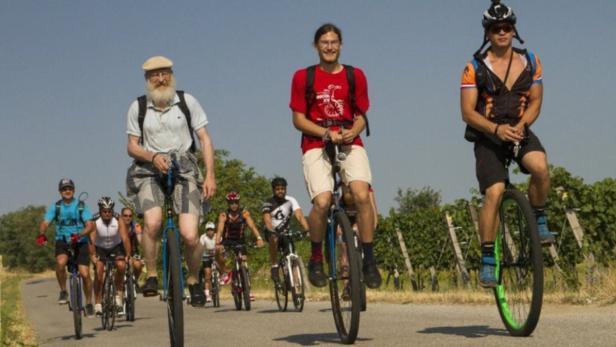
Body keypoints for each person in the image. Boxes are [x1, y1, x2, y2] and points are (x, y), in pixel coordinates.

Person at [460, 0, 555, 288]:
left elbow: (536, 101)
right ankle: (488, 257)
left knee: (540, 167)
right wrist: (496, 129)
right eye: (495, 28)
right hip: (488, 135)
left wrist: (521, 125)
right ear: (487, 33)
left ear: (514, 30)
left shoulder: (531, 60)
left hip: (519, 127)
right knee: (495, 191)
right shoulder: (474, 67)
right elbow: (467, 112)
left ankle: (538, 216)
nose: (502, 32)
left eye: (506, 27)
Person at [289, 23, 381, 289]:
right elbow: (298, 119)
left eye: (334, 42)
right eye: (324, 42)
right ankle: (316, 258)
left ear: (341, 45)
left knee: (362, 195)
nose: (329, 47)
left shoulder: (355, 75)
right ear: (316, 46)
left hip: (350, 139)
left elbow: (362, 115)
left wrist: (352, 131)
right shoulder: (303, 77)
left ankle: (369, 259)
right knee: (322, 201)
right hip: (316, 142)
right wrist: (325, 133)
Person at [125, 55, 216, 307]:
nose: (161, 78)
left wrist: (210, 175)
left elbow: (205, 139)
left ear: (172, 75)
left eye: (165, 73)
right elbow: (132, 146)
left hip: (184, 168)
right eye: (155, 74)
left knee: (189, 234)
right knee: (153, 223)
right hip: (148, 170)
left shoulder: (187, 102)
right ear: (147, 79)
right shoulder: (138, 107)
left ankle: (194, 280)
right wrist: (152, 156)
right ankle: (152, 275)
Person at [37, 178, 95, 316]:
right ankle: (63, 291)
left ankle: (88, 303)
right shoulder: (56, 207)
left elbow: (90, 226)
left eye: (69, 188)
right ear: (60, 192)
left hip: (80, 242)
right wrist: (42, 234)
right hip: (62, 241)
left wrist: (79, 235)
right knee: (60, 263)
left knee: (85, 273)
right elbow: (45, 223)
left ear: (74, 190)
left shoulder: (81, 206)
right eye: (64, 189)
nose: (67, 191)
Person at [84, 197, 131, 316]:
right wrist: (93, 255)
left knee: (121, 266)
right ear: (100, 211)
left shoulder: (118, 219)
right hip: (100, 248)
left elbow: (125, 238)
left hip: (116, 246)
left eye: (109, 211)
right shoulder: (95, 221)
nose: (107, 213)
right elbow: (91, 240)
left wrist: (128, 255)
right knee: (99, 273)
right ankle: (98, 303)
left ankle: (118, 294)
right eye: (104, 211)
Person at [261, 177, 309, 283]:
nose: (280, 191)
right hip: (272, 232)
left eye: (282, 189)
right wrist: (271, 230)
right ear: (273, 190)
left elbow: (300, 216)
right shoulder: (268, 203)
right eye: (278, 189)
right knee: (274, 238)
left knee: (292, 255)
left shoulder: (290, 201)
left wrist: (307, 229)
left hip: (286, 233)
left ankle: (296, 287)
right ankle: (274, 266)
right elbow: (267, 220)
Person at [215, 192, 264, 286]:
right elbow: (220, 229)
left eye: (236, 202)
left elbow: (252, 226)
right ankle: (225, 272)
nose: (233, 205)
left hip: (240, 241)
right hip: (227, 241)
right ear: (228, 203)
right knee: (218, 253)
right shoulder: (223, 215)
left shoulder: (244, 213)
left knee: (243, 261)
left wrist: (259, 238)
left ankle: (247, 286)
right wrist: (218, 243)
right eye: (231, 203)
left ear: (239, 202)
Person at [121, 207, 144, 290]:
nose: (128, 218)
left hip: (133, 250)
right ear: (121, 216)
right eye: (125, 216)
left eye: (130, 216)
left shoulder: (136, 225)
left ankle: (134, 281)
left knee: (138, 265)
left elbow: (140, 240)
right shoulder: (116, 225)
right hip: (119, 250)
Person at [198, 222, 217, 302]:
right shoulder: (203, 237)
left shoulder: (217, 236)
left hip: (216, 257)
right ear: (206, 231)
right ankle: (207, 293)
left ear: (214, 230)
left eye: (211, 229)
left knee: (221, 263)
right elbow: (200, 247)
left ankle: (221, 277)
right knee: (207, 275)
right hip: (206, 257)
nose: (210, 231)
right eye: (208, 230)